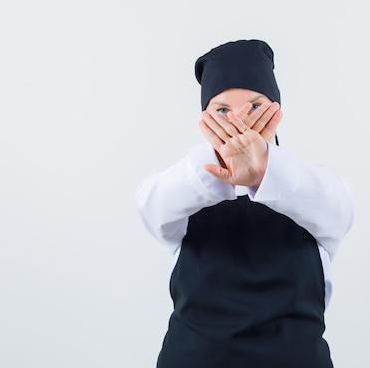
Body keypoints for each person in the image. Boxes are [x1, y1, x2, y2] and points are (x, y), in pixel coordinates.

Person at [135, 39, 354, 368]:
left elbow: (336, 206)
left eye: (255, 107)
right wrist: (217, 161)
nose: (240, 121)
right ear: (204, 119)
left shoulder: (316, 192)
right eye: (222, 111)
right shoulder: (182, 196)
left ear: (276, 111)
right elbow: (152, 204)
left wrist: (264, 166)